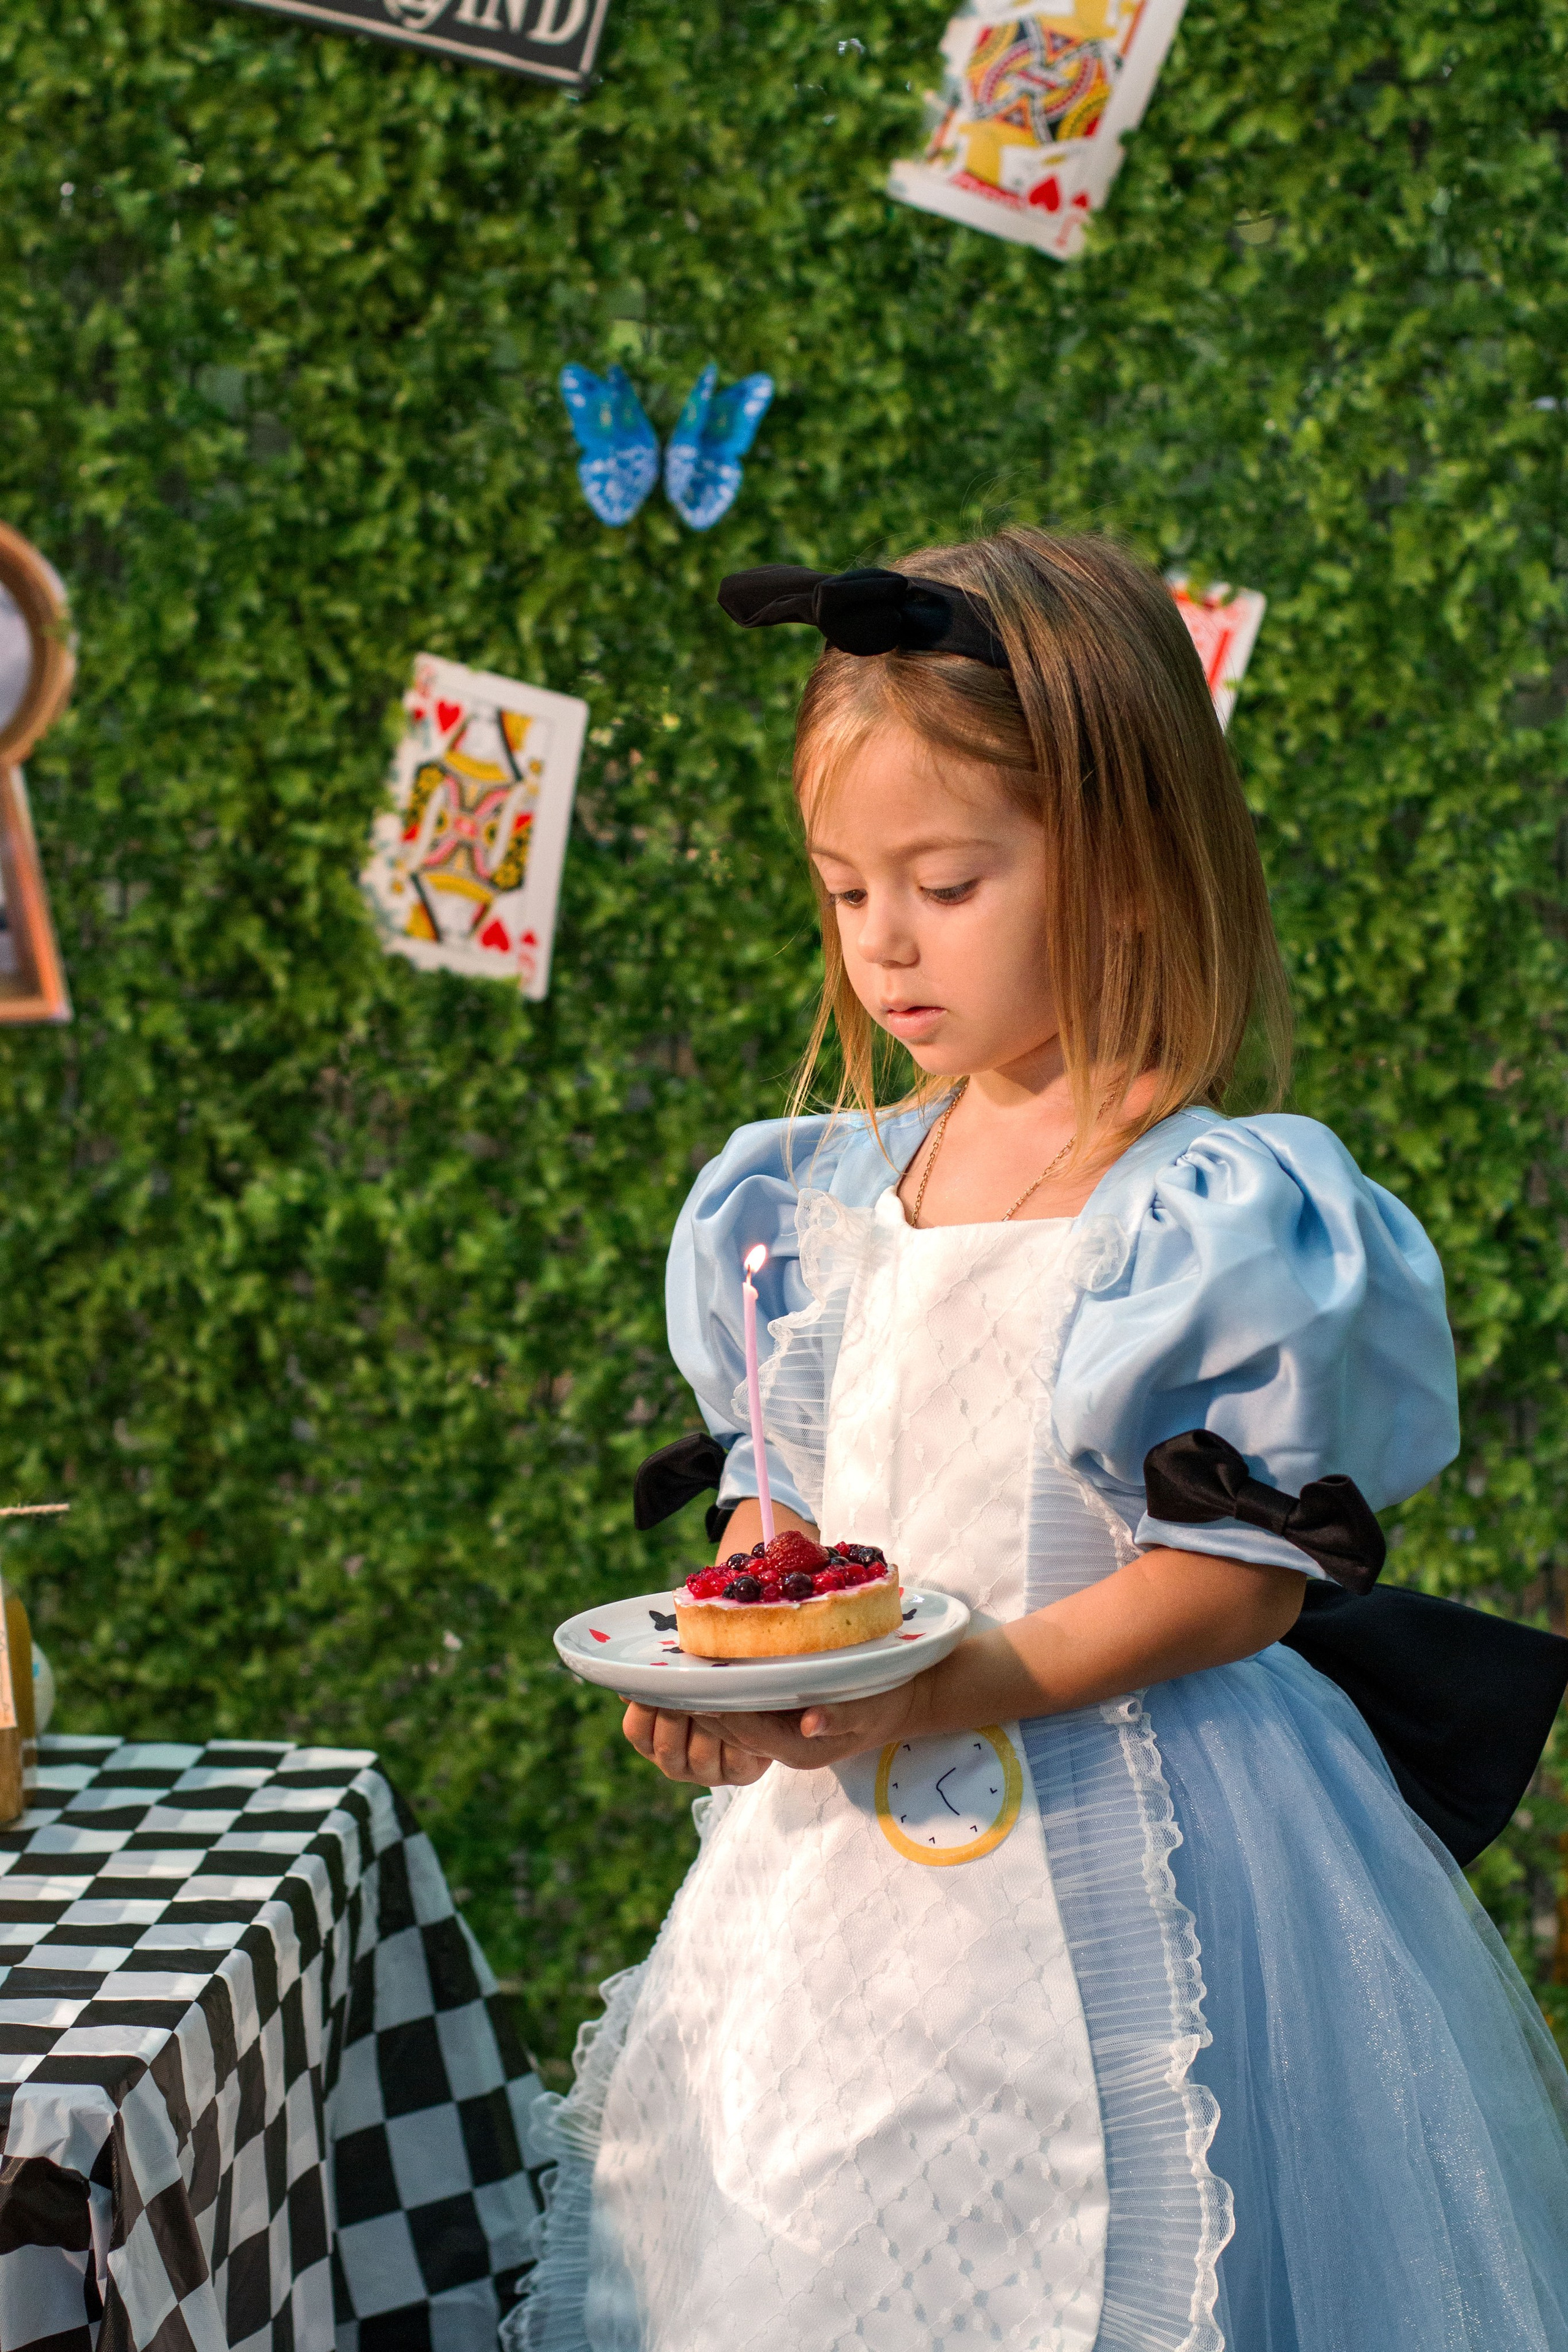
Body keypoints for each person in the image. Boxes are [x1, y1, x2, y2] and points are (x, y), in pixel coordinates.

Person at [508, 529, 1568, 2352]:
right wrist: (740, 1658)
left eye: (950, 880)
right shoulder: (816, 1190)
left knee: (1145, 2246)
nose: (887, 944)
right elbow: (792, 1493)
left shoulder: (1209, 1211)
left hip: (1140, 1827)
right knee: (801, 2257)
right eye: (846, 892)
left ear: (1131, 869)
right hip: (847, 1893)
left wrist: (968, 1679)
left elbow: (1238, 1583)